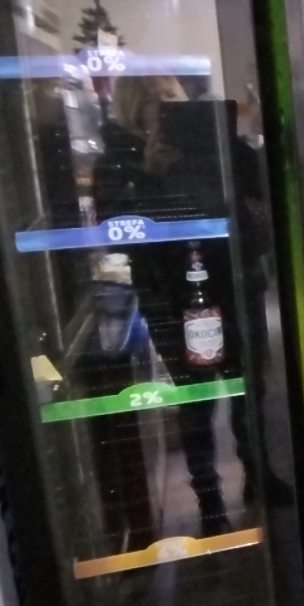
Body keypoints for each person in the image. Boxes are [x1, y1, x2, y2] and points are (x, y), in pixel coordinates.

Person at [96, 74, 284, 537]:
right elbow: (112, 232)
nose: (165, 107)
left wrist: (234, 144)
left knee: (249, 389)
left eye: (171, 97)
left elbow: (261, 192)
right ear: (132, 109)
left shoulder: (217, 145)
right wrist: (149, 175)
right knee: (196, 400)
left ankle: (258, 476)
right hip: (170, 296)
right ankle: (210, 503)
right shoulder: (118, 160)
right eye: (154, 100)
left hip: (235, 282)